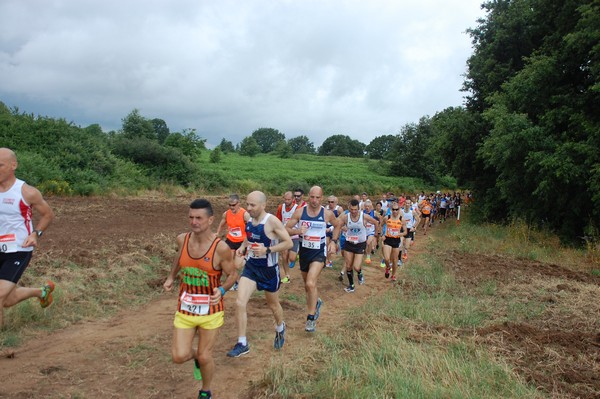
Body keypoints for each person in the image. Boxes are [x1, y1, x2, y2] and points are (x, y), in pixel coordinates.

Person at [163, 198, 238, 399]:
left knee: (206, 355)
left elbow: (232, 275)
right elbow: (179, 257)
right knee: (178, 356)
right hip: (185, 308)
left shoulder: (220, 248)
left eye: (199, 218)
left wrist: (221, 290)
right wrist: (171, 276)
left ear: (210, 220)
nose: (194, 222)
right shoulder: (182, 239)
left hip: (210, 312)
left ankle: (205, 391)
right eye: (191, 217)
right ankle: (197, 358)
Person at [227, 191, 293, 357]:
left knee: (273, 306)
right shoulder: (249, 220)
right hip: (251, 268)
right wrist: (243, 247)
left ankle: (280, 327)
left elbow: (288, 242)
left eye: (252, 205)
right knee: (240, 302)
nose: (249, 208)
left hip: (269, 271)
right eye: (247, 204)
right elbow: (248, 238)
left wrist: (267, 249)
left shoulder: (271, 221)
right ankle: (242, 342)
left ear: (263, 205)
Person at [0, 148, 55, 328]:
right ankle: (42, 291)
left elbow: (47, 214)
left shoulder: (27, 192)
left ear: (13, 165)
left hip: (18, 250)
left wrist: (35, 233)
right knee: (7, 301)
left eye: (0, 165)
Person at [285, 186, 339, 332]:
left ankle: (310, 318)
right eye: (312, 197)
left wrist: (333, 241)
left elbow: (337, 224)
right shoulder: (300, 212)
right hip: (304, 253)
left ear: (322, 198)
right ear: (308, 197)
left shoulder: (327, 213)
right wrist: (297, 231)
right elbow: (286, 228)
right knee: (308, 287)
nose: (314, 200)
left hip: (319, 253)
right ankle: (316, 302)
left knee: (310, 283)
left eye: (318, 198)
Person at [336, 199, 379, 293]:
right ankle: (351, 286)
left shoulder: (364, 216)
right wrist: (338, 234)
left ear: (359, 209)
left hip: (360, 244)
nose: (354, 211)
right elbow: (338, 225)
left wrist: (375, 235)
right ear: (349, 208)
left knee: (356, 266)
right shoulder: (346, 217)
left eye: (355, 209)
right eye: (351, 209)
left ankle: (359, 273)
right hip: (349, 243)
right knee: (348, 266)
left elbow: (376, 223)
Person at [216, 194, 251, 289]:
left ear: (238, 203)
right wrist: (218, 232)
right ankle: (235, 282)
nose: (231, 207)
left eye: (233, 205)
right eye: (230, 205)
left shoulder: (245, 215)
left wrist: (247, 242)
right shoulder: (226, 214)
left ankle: (248, 261)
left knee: (237, 265)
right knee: (226, 263)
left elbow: (251, 228)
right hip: (230, 240)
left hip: (242, 242)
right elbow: (222, 222)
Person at [275, 191, 299, 283]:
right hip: (284, 235)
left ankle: (296, 255)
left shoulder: (297, 209)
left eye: (288, 199)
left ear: (293, 199)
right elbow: (278, 220)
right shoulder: (281, 207)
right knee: (284, 256)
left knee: (291, 258)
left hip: (295, 234)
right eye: (285, 199)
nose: (286, 201)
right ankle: (287, 276)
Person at [382, 203, 404, 282]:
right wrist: (382, 234)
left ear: (399, 210)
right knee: (387, 258)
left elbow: (405, 232)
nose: (395, 211)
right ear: (391, 210)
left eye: (396, 209)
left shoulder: (401, 219)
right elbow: (380, 225)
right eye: (393, 209)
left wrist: (400, 234)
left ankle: (393, 275)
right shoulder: (387, 218)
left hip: (396, 241)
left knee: (395, 260)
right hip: (387, 240)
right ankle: (388, 267)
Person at [324, 195, 343, 268]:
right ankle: (328, 261)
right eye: (329, 202)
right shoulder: (326, 208)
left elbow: (341, 221)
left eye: (332, 202)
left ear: (335, 202)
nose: (330, 203)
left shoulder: (339, 209)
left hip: (335, 228)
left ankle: (337, 246)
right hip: (327, 228)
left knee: (333, 245)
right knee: (327, 243)